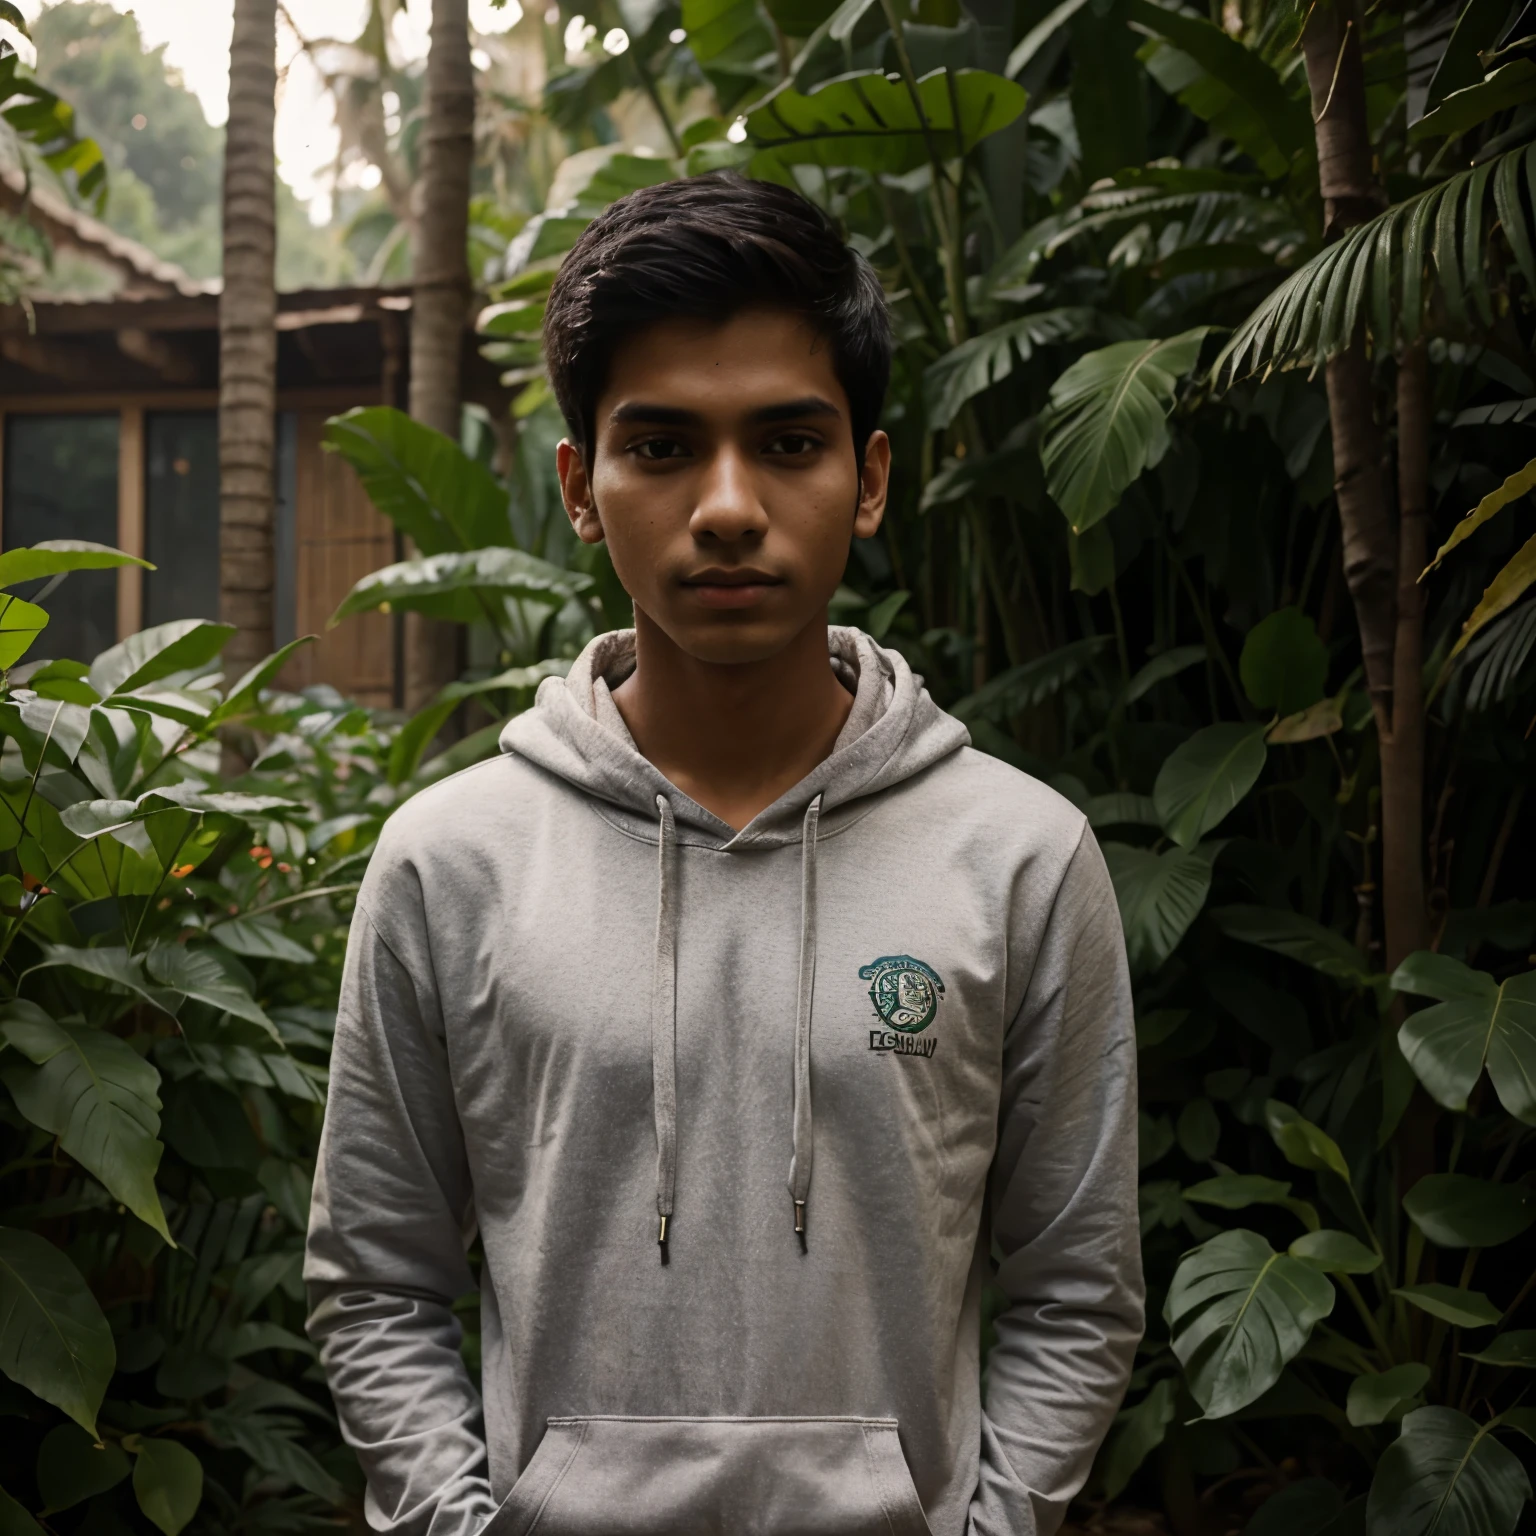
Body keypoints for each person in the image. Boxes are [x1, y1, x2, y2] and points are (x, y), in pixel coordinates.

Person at [305, 170, 1143, 1536]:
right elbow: (377, 1278)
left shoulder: (1023, 858)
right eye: (663, 447)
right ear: (581, 486)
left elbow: (1076, 1286)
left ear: (870, 478)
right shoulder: (450, 863)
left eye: (791, 442)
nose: (731, 505)